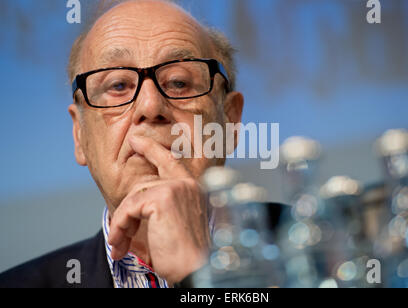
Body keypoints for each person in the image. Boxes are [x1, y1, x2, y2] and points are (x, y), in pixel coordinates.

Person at [0, 0, 245, 288]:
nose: (151, 105)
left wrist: (202, 274)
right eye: (118, 85)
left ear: (229, 121)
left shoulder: (306, 245)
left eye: (178, 82)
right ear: (80, 135)